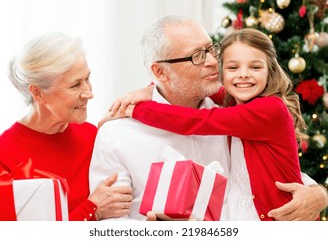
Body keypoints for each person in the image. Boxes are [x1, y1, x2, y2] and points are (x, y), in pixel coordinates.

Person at [92, 15, 328, 221]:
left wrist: (318, 194)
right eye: (197, 56)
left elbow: (265, 170)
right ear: (159, 72)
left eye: (211, 49)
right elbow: (112, 222)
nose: (214, 62)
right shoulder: (118, 133)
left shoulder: (229, 110)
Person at [0, 32, 133, 221]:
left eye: (87, 79)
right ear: (37, 92)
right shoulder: (5, 155)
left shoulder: (91, 135)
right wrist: (92, 210)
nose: (88, 93)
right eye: (75, 85)